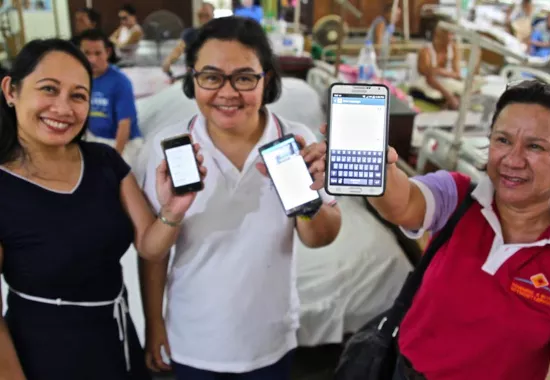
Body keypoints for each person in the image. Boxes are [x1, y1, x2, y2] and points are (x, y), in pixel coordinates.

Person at [312, 80, 550, 379]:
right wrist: (378, 170)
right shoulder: (458, 197)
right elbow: (405, 202)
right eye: (502, 140)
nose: (512, 160)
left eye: (535, 146)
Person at [141, 16, 341, 380]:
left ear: (267, 79)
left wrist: (302, 195)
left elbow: (321, 237)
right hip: (193, 338)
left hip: (268, 339)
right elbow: (153, 252)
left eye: (245, 77)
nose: (228, 92)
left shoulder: (295, 139)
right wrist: (154, 323)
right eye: (211, 76)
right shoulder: (169, 147)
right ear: (193, 78)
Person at [0, 38, 206, 380]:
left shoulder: (104, 162)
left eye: (78, 95)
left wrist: (174, 208)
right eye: (49, 89)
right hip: (44, 352)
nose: (63, 109)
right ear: (10, 90)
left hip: (116, 337)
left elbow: (150, 246)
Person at [78, 28, 143, 165]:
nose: (92, 59)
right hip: (94, 138)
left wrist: (115, 158)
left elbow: (124, 124)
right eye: (87, 53)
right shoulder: (80, 78)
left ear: (107, 52)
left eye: (98, 53)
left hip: (123, 142)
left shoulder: (120, 82)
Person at [162, 2, 215, 76]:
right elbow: (179, 49)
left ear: (213, 15)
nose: (203, 17)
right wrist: (168, 61)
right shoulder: (190, 33)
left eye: (206, 15)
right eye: (201, 15)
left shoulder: (218, 33)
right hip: (194, 74)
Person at [417, 24, 463, 109]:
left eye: (452, 34)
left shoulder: (453, 48)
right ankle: (450, 100)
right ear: (438, 36)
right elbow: (427, 75)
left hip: (446, 81)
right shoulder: (426, 51)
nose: (451, 37)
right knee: (431, 79)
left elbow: (458, 74)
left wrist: (440, 71)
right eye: (449, 34)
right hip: (428, 84)